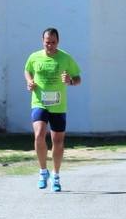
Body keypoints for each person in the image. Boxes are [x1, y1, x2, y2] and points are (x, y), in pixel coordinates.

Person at [24, 27, 82, 192]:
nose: (50, 46)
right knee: (39, 134)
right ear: (43, 41)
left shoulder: (65, 58)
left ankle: (56, 176)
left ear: (58, 42)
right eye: (47, 42)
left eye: (53, 42)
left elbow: (78, 79)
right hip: (39, 102)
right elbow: (27, 70)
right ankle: (43, 171)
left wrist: (70, 81)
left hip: (58, 105)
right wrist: (29, 81)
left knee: (57, 141)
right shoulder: (34, 57)